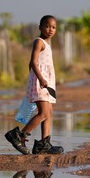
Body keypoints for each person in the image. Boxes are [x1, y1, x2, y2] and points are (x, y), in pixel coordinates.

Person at [5, 15, 64, 155]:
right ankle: (19, 135)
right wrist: (39, 79)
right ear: (40, 27)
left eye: (53, 27)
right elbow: (32, 62)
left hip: (46, 82)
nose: (50, 29)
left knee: (49, 112)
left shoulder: (47, 45)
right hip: (41, 81)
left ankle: (44, 145)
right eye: (47, 26)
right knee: (43, 112)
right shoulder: (39, 42)